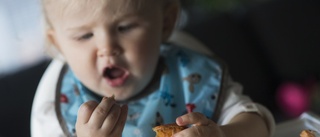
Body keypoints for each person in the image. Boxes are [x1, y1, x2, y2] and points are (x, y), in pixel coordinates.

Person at [31, 0, 275, 137]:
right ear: (58, 44)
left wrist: (222, 135)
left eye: (125, 27)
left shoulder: (188, 71)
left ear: (166, 23)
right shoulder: (55, 108)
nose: (107, 48)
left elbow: (258, 124)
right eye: (84, 36)